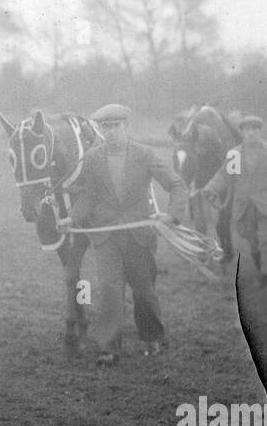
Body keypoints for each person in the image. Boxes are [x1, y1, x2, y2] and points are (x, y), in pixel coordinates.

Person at [69, 103, 189, 366]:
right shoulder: (92, 158)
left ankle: (151, 336)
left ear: (126, 127)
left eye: (115, 127)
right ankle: (109, 347)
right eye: (105, 127)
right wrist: (71, 217)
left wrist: (171, 215)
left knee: (144, 291)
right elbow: (88, 196)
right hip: (106, 236)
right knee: (110, 289)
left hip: (138, 235)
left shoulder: (144, 154)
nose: (110, 132)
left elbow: (176, 184)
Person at [202, 114, 267, 287]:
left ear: (260, 131)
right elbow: (224, 176)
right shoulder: (235, 154)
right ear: (242, 132)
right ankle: (261, 266)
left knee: (266, 238)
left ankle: (264, 274)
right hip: (245, 205)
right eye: (248, 130)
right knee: (252, 240)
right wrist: (211, 188)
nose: (251, 133)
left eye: (255, 130)